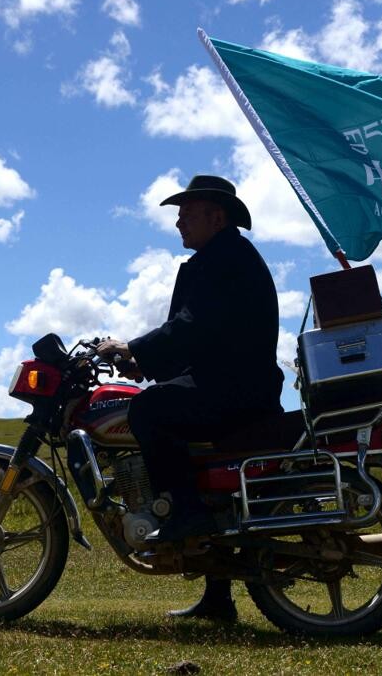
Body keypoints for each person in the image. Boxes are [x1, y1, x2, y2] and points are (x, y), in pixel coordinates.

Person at [97, 174, 283, 622]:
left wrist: (133, 348)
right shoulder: (222, 257)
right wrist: (146, 365)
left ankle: (185, 515)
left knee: (148, 408)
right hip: (230, 383)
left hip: (236, 390)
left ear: (215, 217)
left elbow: (192, 326)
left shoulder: (226, 260)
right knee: (172, 426)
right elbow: (201, 339)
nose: (178, 222)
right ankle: (218, 596)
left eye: (186, 213)